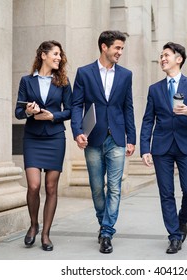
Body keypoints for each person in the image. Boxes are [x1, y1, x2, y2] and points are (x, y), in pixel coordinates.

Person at [140, 42, 187, 254]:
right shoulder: (154, 89)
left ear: (178, 59)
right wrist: (145, 148)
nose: (162, 59)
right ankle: (174, 236)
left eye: (166, 55)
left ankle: (183, 219)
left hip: (186, 145)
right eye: (161, 56)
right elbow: (147, 120)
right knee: (166, 193)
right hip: (161, 147)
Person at [70, 30, 136, 254]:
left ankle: (107, 232)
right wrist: (77, 131)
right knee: (97, 188)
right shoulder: (84, 73)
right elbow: (76, 105)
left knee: (115, 188)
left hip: (117, 138)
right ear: (104, 47)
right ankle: (103, 222)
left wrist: (131, 138)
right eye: (117, 48)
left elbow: (128, 107)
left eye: (122, 49)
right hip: (93, 138)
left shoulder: (126, 75)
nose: (120, 52)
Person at [15, 40, 71, 251]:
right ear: (43, 55)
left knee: (50, 187)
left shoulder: (63, 82)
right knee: (34, 186)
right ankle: (33, 225)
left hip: (55, 138)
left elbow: (71, 110)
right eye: (55, 54)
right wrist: (29, 111)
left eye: (60, 55)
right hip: (32, 138)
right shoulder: (26, 81)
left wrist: (53, 116)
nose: (58, 57)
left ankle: (46, 234)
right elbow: (18, 112)